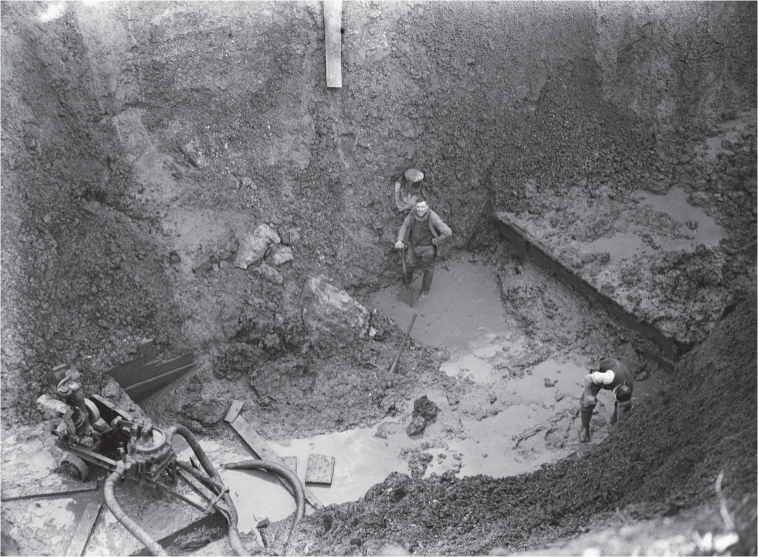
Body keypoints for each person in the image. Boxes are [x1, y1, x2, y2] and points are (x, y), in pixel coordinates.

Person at [394, 197, 452, 301]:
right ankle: (406, 285)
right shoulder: (413, 212)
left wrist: (437, 241)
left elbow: (448, 232)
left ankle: (425, 291)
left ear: (427, 207)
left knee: (428, 270)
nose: (420, 209)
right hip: (414, 245)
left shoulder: (433, 218)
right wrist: (399, 240)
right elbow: (405, 224)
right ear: (415, 207)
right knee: (408, 265)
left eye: (422, 207)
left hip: (428, 248)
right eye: (418, 207)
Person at [578, 357, 634, 442]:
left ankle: (616, 425)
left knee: (625, 407)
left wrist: (619, 422)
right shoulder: (607, 377)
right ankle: (585, 427)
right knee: (587, 401)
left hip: (621, 373)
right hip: (605, 369)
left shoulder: (629, 386)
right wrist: (588, 395)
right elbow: (588, 378)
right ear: (614, 392)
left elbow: (624, 404)